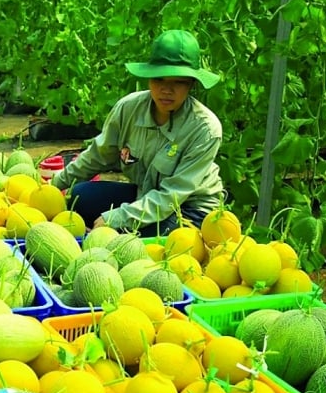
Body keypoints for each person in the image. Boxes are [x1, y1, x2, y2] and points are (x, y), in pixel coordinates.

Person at [51, 29, 224, 237]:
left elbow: (172, 196)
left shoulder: (204, 129)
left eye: (178, 82)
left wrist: (117, 218)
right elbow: (97, 156)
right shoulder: (128, 109)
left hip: (190, 210)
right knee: (77, 198)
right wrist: (51, 187)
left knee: (123, 236)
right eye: (159, 79)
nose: (166, 90)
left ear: (192, 85)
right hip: (146, 197)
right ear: (148, 78)